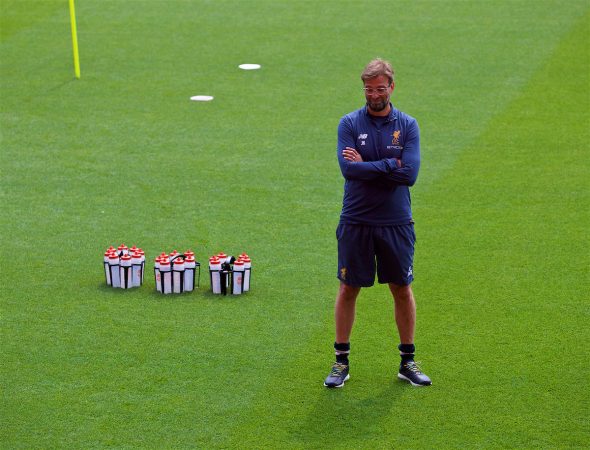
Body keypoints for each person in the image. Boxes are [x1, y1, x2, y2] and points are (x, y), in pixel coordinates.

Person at [324, 58, 431, 388]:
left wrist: (368, 164)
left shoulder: (408, 125)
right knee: (348, 288)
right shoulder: (349, 124)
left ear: (392, 87)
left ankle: (408, 361)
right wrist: (389, 165)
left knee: (401, 288)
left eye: (380, 89)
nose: (374, 95)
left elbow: (409, 175)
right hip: (356, 219)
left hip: (396, 221)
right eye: (369, 89)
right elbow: (348, 171)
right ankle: (341, 362)